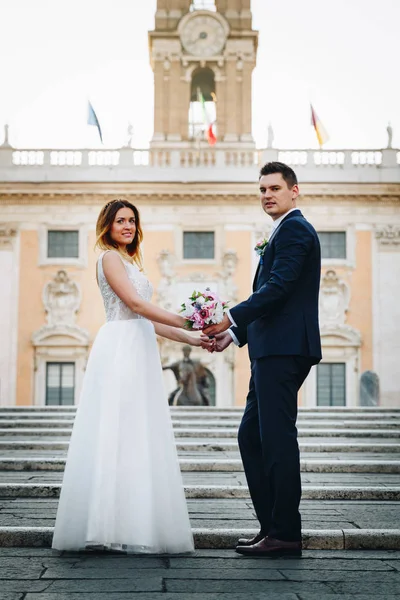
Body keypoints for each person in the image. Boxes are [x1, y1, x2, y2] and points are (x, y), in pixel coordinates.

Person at [52, 199, 202, 554]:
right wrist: (189, 320)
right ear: (107, 225)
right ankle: (106, 522)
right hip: (120, 347)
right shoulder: (109, 258)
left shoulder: (131, 261)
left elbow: (148, 320)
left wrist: (194, 338)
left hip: (139, 343)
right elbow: (135, 306)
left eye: (132, 220)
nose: (128, 226)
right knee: (116, 430)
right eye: (120, 220)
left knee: (136, 432)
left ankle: (132, 520)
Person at [202, 162, 322, 557]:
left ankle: (286, 532)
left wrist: (230, 317)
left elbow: (279, 288)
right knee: (252, 437)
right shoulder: (283, 231)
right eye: (262, 190)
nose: (267, 195)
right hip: (270, 348)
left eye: (274, 188)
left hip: (284, 351)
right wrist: (234, 336)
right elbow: (274, 299)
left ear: (294, 191)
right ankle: (272, 527)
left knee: (277, 439)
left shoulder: (296, 230)